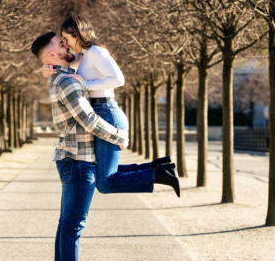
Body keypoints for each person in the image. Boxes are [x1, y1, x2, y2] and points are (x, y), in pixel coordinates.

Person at [32, 31, 126, 261]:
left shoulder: (61, 75)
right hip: (79, 160)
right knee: (73, 228)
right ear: (51, 55)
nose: (67, 45)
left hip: (72, 159)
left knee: (66, 226)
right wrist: (117, 135)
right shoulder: (67, 82)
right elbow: (87, 119)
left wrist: (49, 69)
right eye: (61, 45)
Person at [42, 14, 180, 197]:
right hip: (101, 111)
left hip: (107, 112)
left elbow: (119, 80)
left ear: (77, 34)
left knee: (105, 183)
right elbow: (60, 62)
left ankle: (159, 174)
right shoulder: (82, 56)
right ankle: (158, 167)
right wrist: (45, 69)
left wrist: (86, 84)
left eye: (67, 39)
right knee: (105, 175)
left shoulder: (96, 52)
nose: (66, 44)